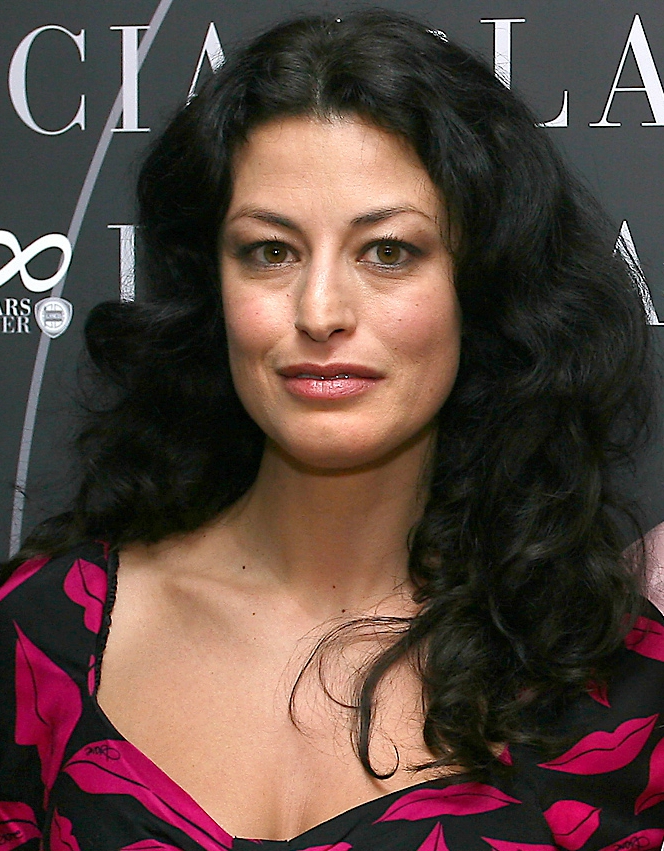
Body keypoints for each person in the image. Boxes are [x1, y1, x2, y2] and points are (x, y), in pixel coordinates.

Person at [1, 9, 663, 850]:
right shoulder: (39, 634)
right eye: (270, 251)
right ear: (211, 287)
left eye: (388, 251)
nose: (319, 312)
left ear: (480, 285)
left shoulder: (620, 689)